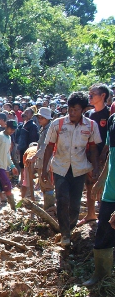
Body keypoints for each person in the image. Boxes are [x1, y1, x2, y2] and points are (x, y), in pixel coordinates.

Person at [42, 92, 101, 246]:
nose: (72, 113)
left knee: (74, 205)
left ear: (83, 109)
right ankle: (65, 234)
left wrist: (95, 169)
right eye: (70, 109)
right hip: (60, 168)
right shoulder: (58, 124)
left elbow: (94, 149)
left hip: (79, 169)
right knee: (62, 200)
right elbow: (49, 148)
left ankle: (70, 226)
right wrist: (44, 170)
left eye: (76, 109)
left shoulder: (91, 125)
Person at [84, 112, 115, 286]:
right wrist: (101, 181)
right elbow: (111, 155)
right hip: (110, 192)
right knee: (103, 233)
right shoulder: (113, 120)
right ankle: (101, 275)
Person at [79, 84, 112, 226]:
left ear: (103, 96)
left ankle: (106, 215)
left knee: (105, 184)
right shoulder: (89, 114)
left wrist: (104, 154)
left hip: (106, 156)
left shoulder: (110, 113)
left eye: (93, 94)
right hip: (90, 155)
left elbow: (110, 137)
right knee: (89, 183)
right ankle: (91, 214)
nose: (90, 96)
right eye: (89, 93)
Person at [29, 107, 56, 211]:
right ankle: (48, 207)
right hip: (42, 161)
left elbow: (45, 147)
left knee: (47, 185)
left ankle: (49, 208)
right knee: (44, 186)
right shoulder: (43, 128)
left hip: (47, 161)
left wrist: (35, 156)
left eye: (42, 118)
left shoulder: (49, 129)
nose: (40, 120)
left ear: (47, 119)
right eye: (39, 118)